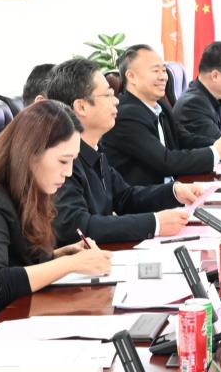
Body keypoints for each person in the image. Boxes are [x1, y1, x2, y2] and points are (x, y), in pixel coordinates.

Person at [0, 101, 115, 323]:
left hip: (20, 317)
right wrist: (70, 265)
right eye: (63, 161)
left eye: (72, 162)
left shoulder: (28, 191)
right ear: (31, 153)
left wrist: (61, 255)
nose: (68, 172)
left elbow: (17, 260)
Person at [46, 59, 200, 246]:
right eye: (108, 95)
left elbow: (125, 197)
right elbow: (76, 226)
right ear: (81, 107)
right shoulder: (62, 161)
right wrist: (155, 224)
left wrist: (175, 192)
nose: (116, 101)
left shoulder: (95, 149)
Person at [103, 44, 221, 187]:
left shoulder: (160, 107)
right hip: (146, 197)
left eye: (164, 70)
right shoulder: (126, 115)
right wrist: (215, 152)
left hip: (173, 190)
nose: (163, 77)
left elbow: (184, 138)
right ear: (131, 77)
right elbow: (165, 162)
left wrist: (220, 144)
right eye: (156, 71)